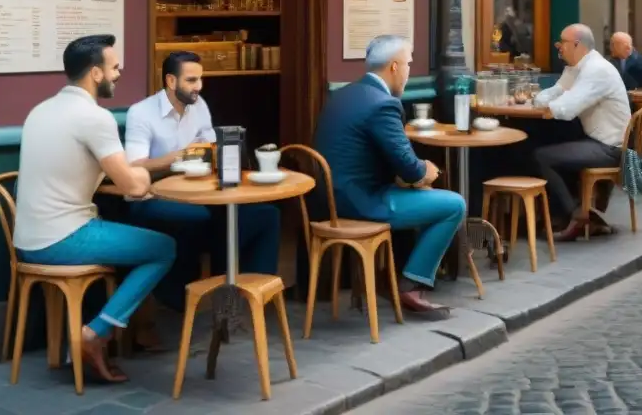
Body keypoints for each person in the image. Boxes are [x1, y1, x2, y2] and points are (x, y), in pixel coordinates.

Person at [14, 35, 175, 383]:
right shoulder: (94, 117)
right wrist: (145, 174)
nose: (119, 73)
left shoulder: (39, 110)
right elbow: (132, 186)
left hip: (26, 239)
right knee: (164, 247)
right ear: (95, 73)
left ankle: (101, 332)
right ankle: (96, 334)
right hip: (64, 238)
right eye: (114, 67)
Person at [313, 35, 465, 317]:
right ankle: (412, 284)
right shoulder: (382, 103)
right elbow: (410, 169)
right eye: (408, 63)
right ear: (394, 67)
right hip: (362, 202)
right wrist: (428, 171)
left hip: (331, 199)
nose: (409, 71)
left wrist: (412, 175)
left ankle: (396, 277)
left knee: (422, 195)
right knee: (454, 205)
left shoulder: (346, 93)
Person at [124, 51, 281, 312]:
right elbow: (133, 167)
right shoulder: (141, 113)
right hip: (152, 198)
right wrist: (175, 158)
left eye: (200, 79)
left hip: (198, 192)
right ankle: (191, 297)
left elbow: (211, 146)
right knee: (202, 218)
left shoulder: (199, 106)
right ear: (171, 81)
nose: (198, 86)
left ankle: (254, 300)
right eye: (191, 80)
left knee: (266, 216)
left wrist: (221, 151)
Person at [532, 24, 631, 241]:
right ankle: (568, 214)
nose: (559, 48)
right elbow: (554, 93)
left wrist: (549, 108)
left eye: (562, 44)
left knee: (543, 156)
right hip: (596, 140)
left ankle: (577, 216)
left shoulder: (596, 70)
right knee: (553, 145)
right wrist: (539, 102)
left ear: (577, 45)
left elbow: (568, 107)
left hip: (610, 148)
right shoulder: (576, 68)